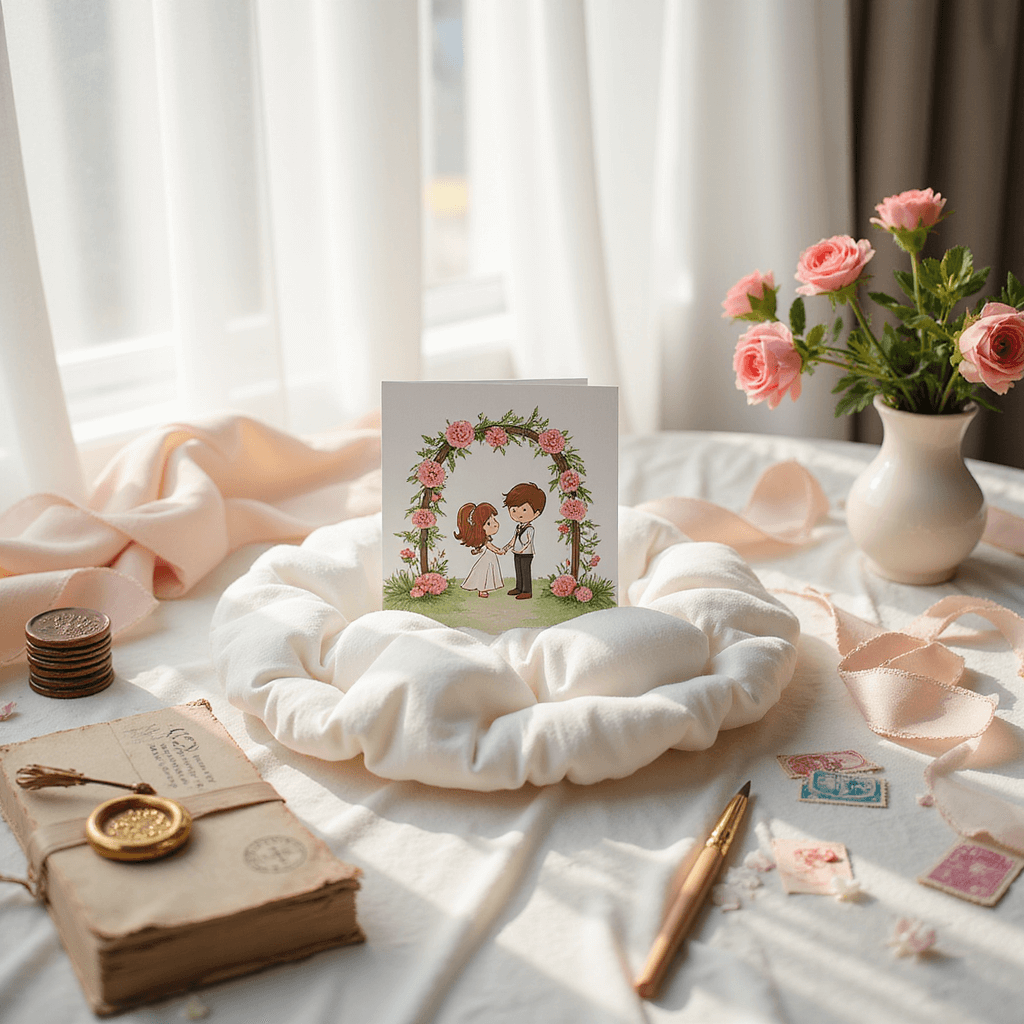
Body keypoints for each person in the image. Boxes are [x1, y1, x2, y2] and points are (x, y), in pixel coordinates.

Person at [501, 482, 545, 600]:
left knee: (525, 571)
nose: (518, 513)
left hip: (526, 554)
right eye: (514, 510)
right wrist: (507, 547)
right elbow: (514, 539)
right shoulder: (518, 527)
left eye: (524, 509)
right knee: (518, 569)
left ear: (536, 513)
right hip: (517, 552)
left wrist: (522, 550)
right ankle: (519, 587)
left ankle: (527, 591)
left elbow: (528, 542)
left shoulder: (530, 528)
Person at [454, 502, 504, 598]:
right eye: (489, 523)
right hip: (487, 559)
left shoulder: (486, 540)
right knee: (484, 573)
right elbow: (492, 548)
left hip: (489, 558)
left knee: (487, 573)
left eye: (494, 520)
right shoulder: (485, 542)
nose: (495, 524)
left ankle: (485, 588)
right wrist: (500, 551)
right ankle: (482, 590)